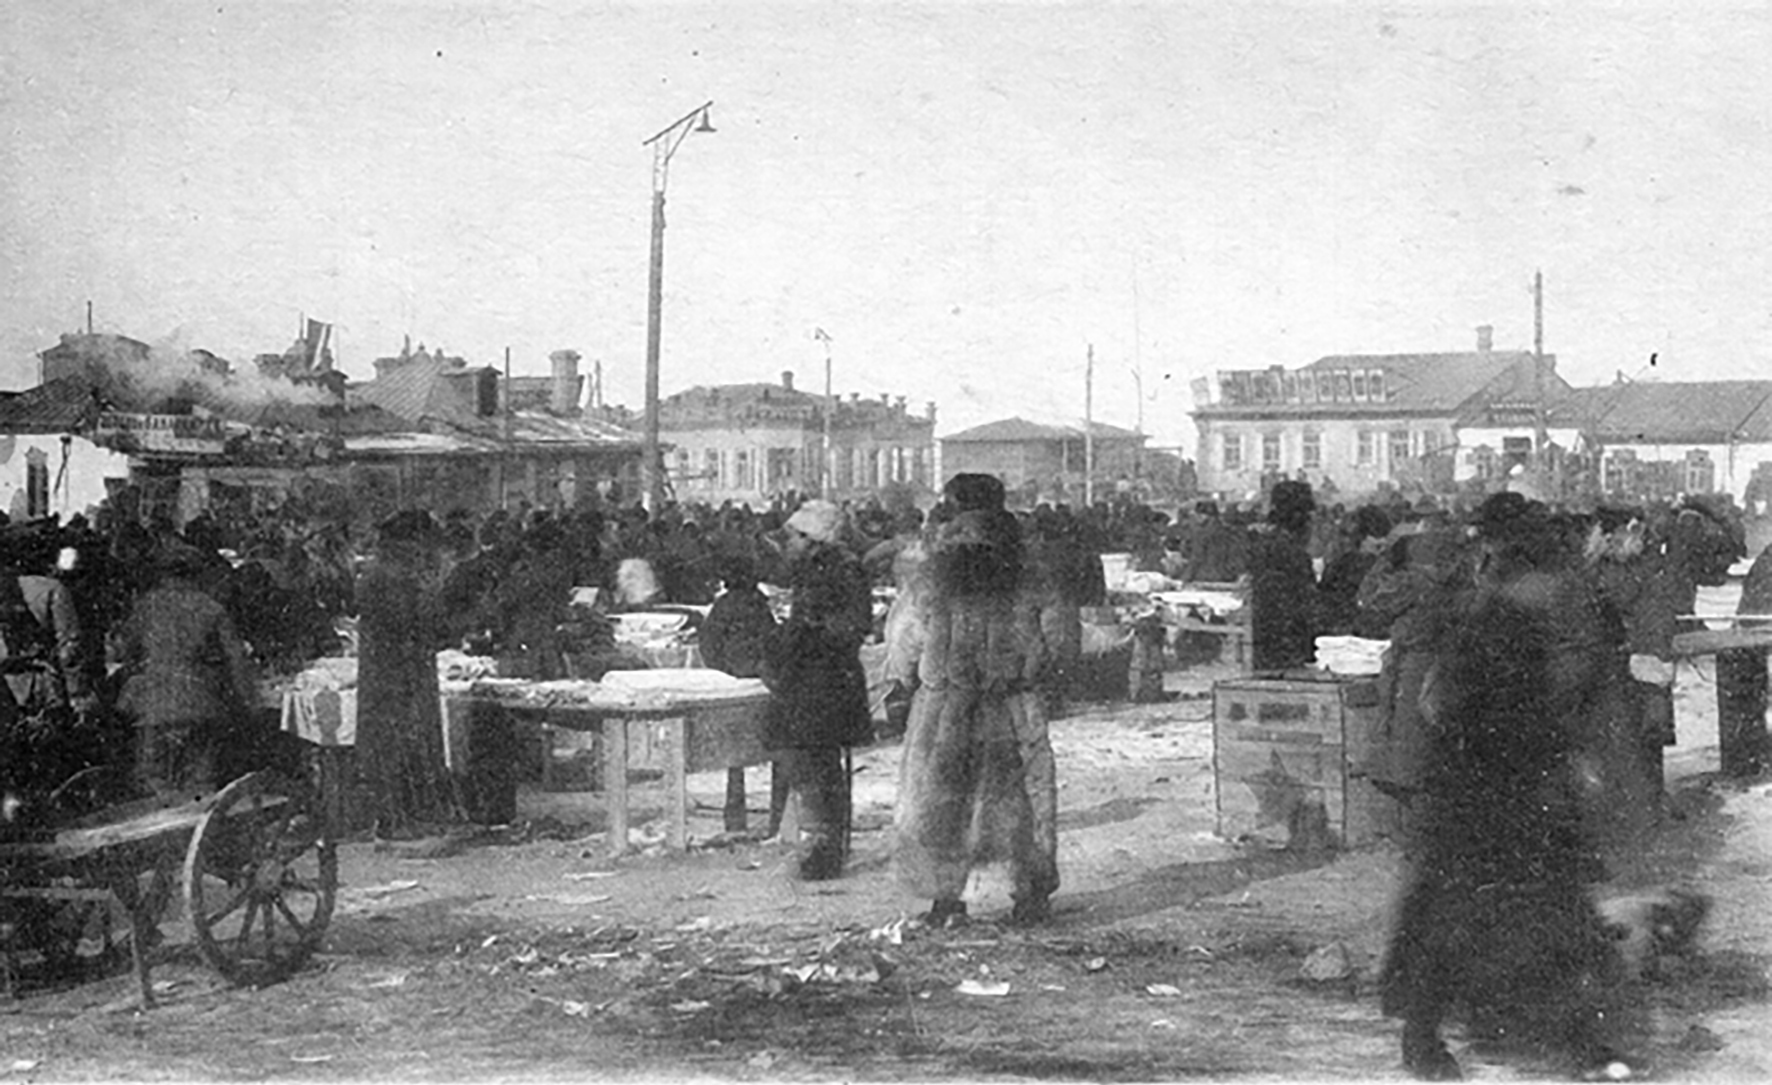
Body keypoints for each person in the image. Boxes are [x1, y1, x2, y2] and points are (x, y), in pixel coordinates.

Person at [1379, 494, 1637, 1081]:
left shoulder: (1505, 613)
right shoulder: (1502, 621)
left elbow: (1459, 705)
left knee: (1545, 920)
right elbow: (1463, 706)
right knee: (1485, 919)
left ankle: (1576, 1039)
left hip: (1499, 797)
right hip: (1488, 797)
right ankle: (1434, 1040)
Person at [891, 474, 1058, 927]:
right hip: (1013, 703)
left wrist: (909, 680)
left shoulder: (933, 570)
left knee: (942, 798)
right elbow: (1059, 638)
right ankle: (1030, 895)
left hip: (946, 705)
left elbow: (905, 639)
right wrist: (1034, 674)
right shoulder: (1031, 567)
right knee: (1023, 799)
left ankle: (945, 899)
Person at [760, 499, 874, 880]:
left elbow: (846, 626)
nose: (788, 546)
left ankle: (822, 848)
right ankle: (823, 845)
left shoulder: (832, 571)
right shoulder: (823, 569)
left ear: (811, 539)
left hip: (821, 681)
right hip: (820, 679)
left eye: (793, 538)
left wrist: (792, 642)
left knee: (814, 765)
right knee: (816, 764)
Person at [112, 541, 258, 798]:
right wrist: (249, 702)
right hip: (201, 705)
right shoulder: (212, 608)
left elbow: (125, 651)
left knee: (154, 785)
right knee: (201, 787)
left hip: (154, 706)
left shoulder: (146, 606)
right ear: (197, 573)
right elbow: (236, 660)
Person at [355, 509, 462, 834]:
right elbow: (419, 623)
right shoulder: (394, 576)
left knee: (399, 745)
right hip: (398, 674)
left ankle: (406, 815)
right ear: (410, 542)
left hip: (395, 672)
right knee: (398, 746)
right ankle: (399, 819)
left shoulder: (382, 572)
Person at [699, 555, 787, 837]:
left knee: (734, 761)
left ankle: (735, 819)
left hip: (734, 682)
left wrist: (724, 671)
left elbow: (708, 645)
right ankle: (778, 819)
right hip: (761, 682)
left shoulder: (724, 605)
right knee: (778, 753)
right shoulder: (758, 605)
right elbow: (772, 641)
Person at [1247, 480, 1319, 672]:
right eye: (1309, 517)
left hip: (1265, 642)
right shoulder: (1292, 552)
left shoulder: (1264, 544)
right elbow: (1306, 605)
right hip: (1288, 646)